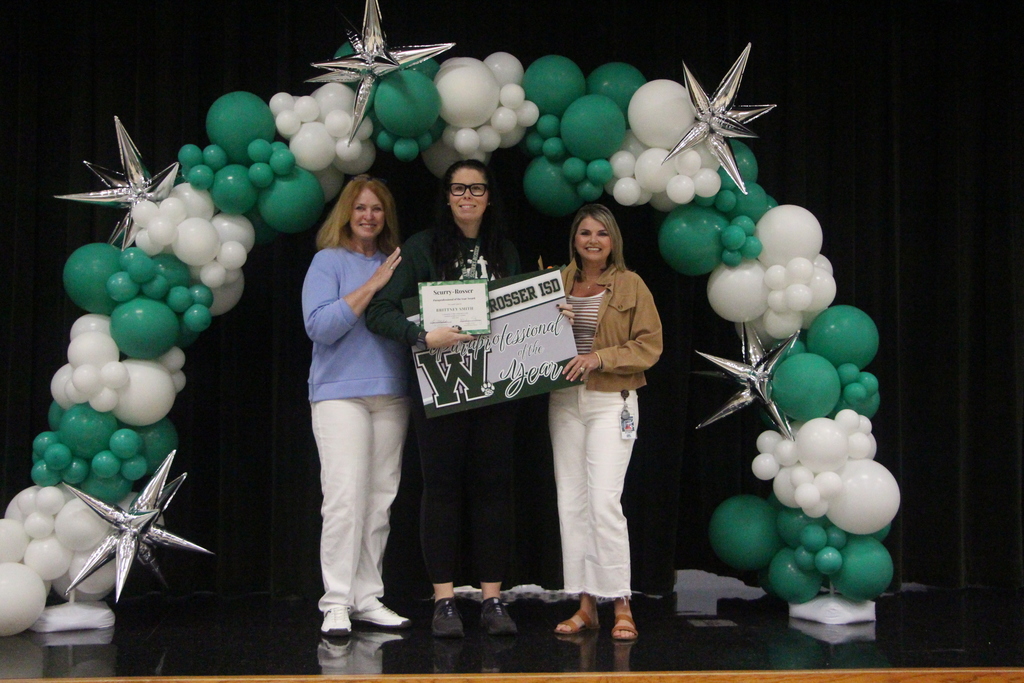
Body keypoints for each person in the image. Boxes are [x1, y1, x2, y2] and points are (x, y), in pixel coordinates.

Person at [366, 159, 521, 638]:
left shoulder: (505, 250)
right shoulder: (420, 248)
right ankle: (445, 601)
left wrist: (548, 311)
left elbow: (518, 314)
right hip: (438, 389)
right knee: (441, 491)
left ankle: (493, 600)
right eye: (459, 189)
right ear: (447, 196)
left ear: (489, 197)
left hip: (494, 388)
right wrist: (420, 336)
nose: (468, 197)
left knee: (494, 490)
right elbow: (379, 310)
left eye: (477, 189)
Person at [302, 175, 412, 638]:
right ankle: (336, 601)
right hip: (338, 395)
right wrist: (373, 284)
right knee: (345, 500)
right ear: (347, 212)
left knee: (380, 501)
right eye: (361, 207)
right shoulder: (328, 261)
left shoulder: (397, 262)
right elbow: (320, 327)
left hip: (392, 394)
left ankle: (367, 597)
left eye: (378, 209)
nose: (369, 216)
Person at [549, 203, 663, 642]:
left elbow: (650, 346)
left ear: (613, 240)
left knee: (604, 502)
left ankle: (621, 602)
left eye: (601, 233)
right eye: (584, 233)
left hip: (610, 400)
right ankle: (585, 606)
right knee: (571, 504)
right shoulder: (556, 281)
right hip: (562, 400)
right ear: (574, 240)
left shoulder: (631, 284)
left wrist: (600, 357)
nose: (592, 240)